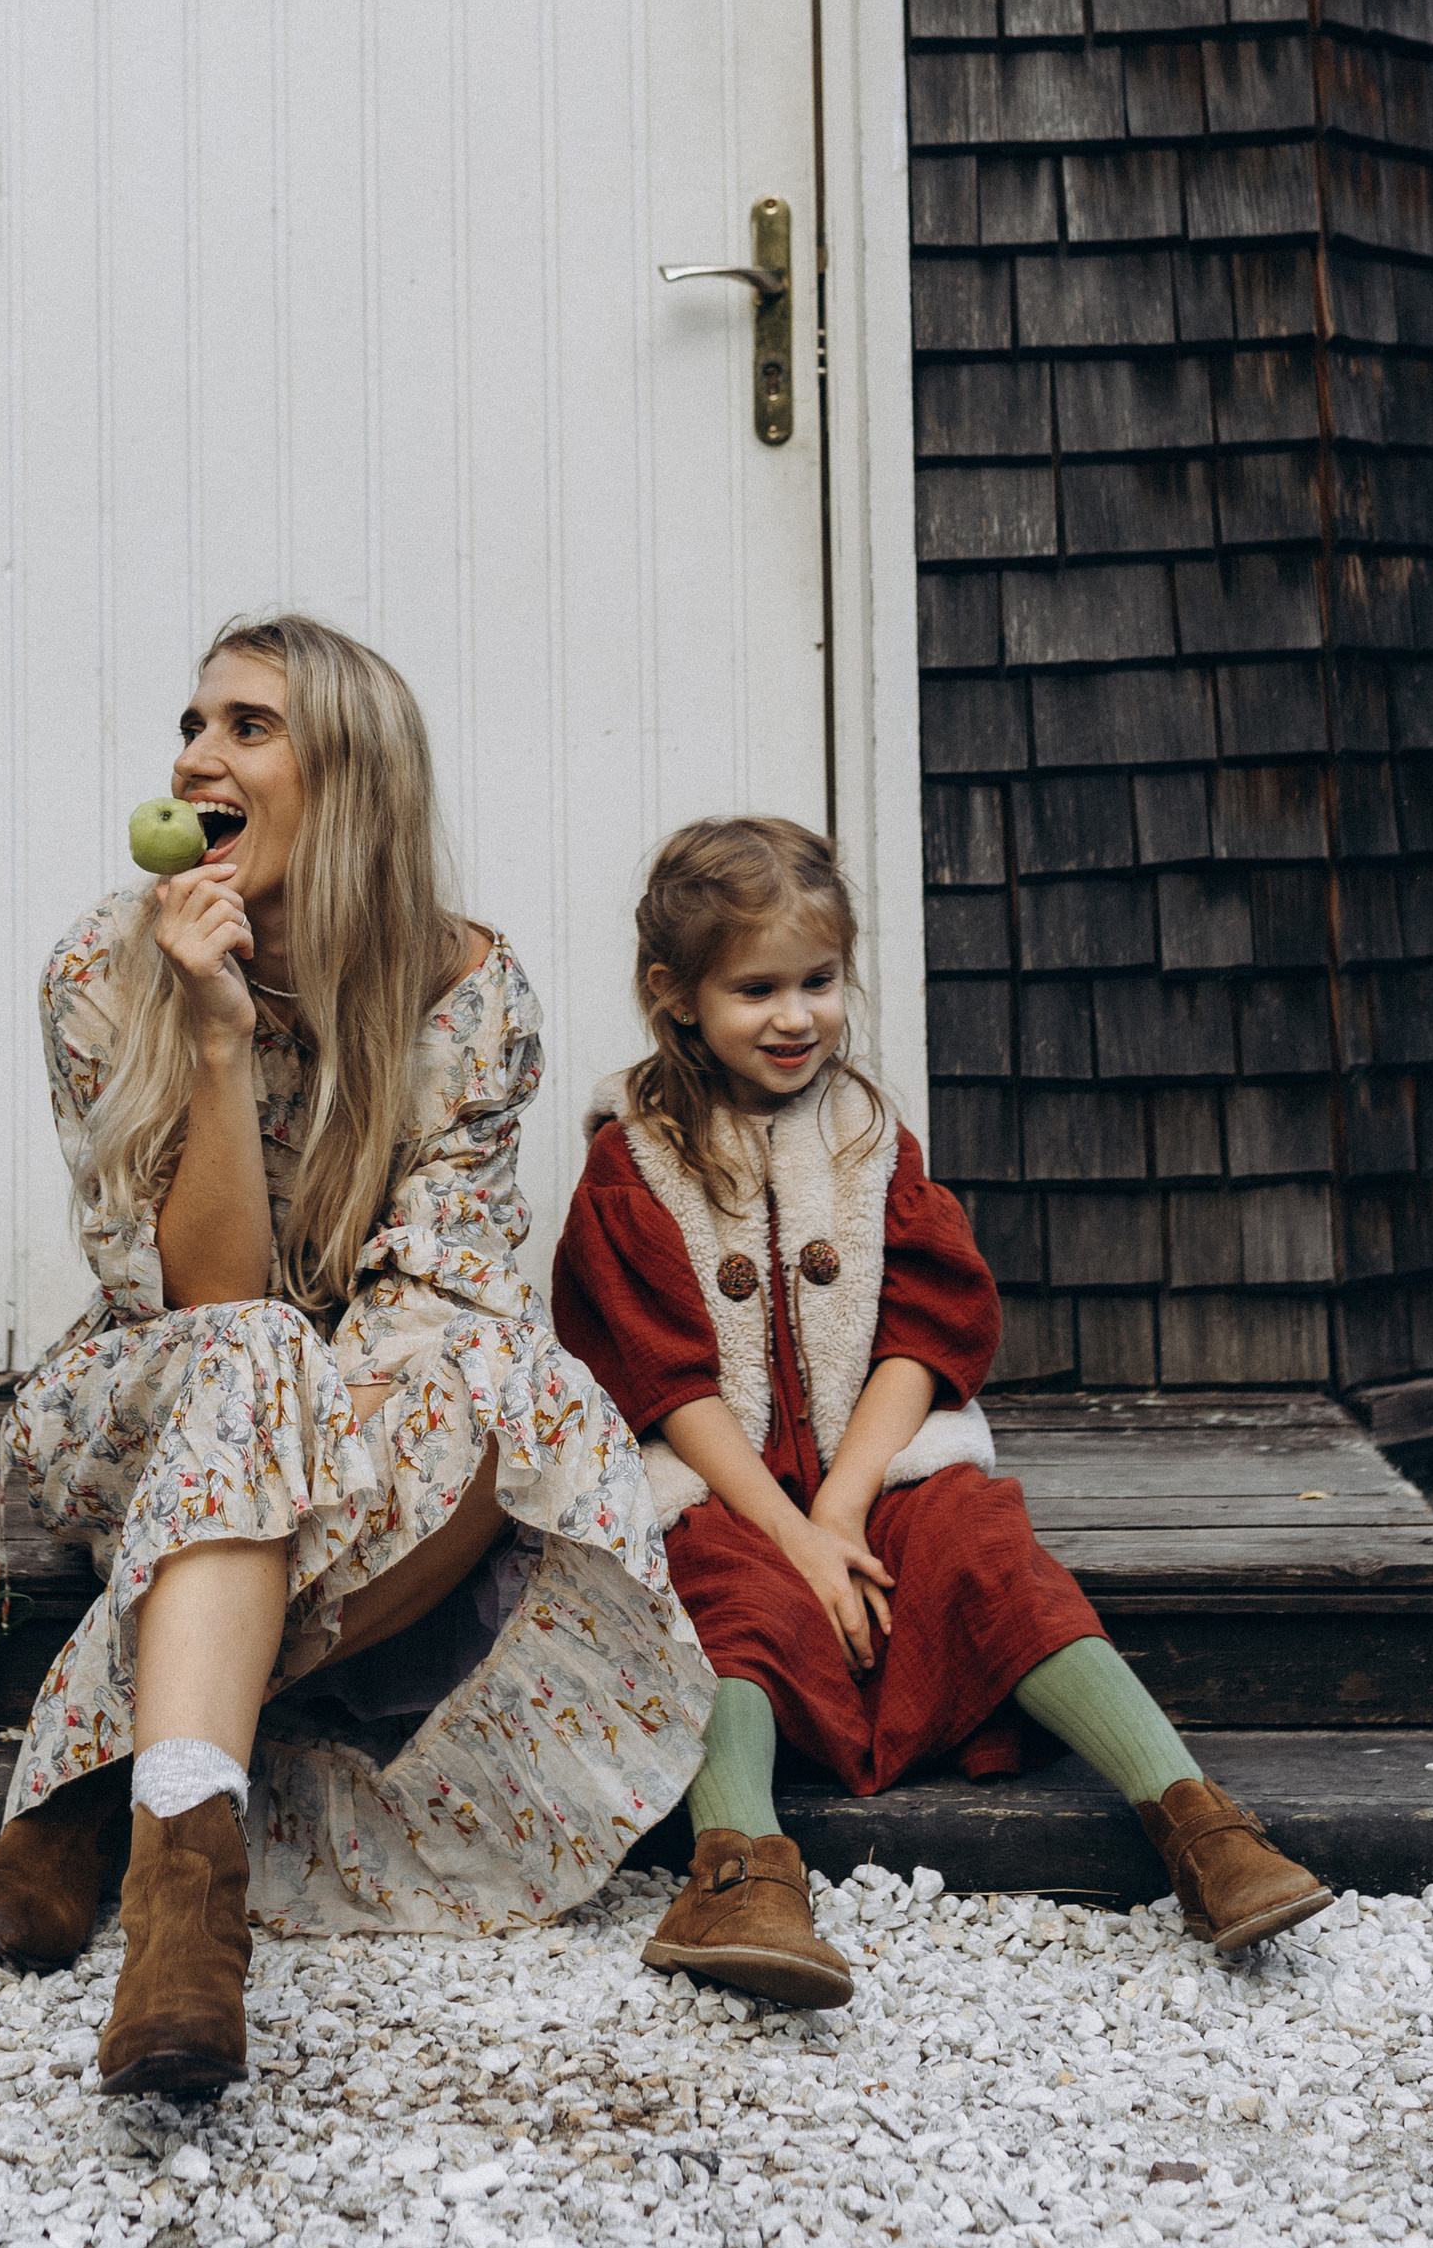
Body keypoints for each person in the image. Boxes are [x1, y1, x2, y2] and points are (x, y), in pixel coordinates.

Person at [0, 612, 713, 2097]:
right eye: (192, 724)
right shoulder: (103, 976)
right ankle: (184, 1911)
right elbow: (202, 1294)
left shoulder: (464, 993)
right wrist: (220, 1035)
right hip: (147, 1398)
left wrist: (333, 1425)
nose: (194, 755)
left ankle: (124, 1801)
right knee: (250, 1350)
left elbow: (448, 1303)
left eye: (248, 725)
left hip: (352, 1430)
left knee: (524, 1393)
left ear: (352, 773)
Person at [552, 816, 1335, 2010]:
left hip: (870, 1470)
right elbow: (667, 1385)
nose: (794, 1015)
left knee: (981, 1546)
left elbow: (925, 1331)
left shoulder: (868, 1138)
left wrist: (850, 1503)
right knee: (720, 1591)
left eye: (818, 982)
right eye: (754, 988)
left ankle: (1195, 1821)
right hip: (726, 1480)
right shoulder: (637, 1163)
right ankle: (738, 1873)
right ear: (673, 993)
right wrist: (798, 1536)